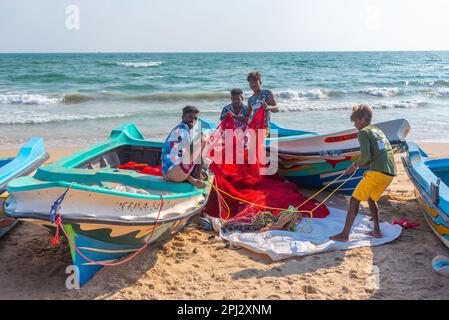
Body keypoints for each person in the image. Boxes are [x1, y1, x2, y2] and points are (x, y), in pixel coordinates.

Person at [330, 104, 397, 242]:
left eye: (355, 121)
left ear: (361, 119)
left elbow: (366, 157)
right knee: (371, 198)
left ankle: (344, 235)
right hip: (390, 172)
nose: (355, 125)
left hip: (377, 172)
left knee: (355, 199)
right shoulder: (377, 130)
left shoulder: (363, 132)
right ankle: (377, 231)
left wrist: (353, 166)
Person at [161, 106, 206, 189]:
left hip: (166, 174)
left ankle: (192, 179)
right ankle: (197, 175)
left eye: (195, 118)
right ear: (183, 117)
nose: (193, 120)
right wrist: (199, 171)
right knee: (202, 138)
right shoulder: (183, 131)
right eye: (190, 117)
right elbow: (193, 154)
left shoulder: (178, 129)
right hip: (174, 174)